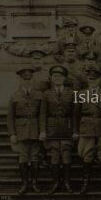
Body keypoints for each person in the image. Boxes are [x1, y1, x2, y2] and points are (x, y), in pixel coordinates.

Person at [39, 65, 76, 193]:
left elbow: (74, 114)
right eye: (55, 76)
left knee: (66, 154)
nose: (58, 78)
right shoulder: (46, 94)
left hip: (66, 127)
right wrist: (43, 131)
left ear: (64, 78)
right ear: (51, 78)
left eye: (60, 76)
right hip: (52, 128)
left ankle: (67, 183)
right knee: (54, 154)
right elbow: (43, 114)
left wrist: (75, 131)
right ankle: (55, 182)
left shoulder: (71, 93)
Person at [7, 66, 43, 195]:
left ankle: (34, 184)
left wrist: (42, 131)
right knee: (22, 157)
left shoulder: (39, 95)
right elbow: (10, 117)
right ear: (20, 80)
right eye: (24, 79)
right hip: (21, 130)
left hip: (35, 129)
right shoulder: (14, 96)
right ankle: (24, 184)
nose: (27, 81)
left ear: (32, 79)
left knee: (34, 157)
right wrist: (12, 133)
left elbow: (42, 115)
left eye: (29, 79)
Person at [75, 65, 101, 194]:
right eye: (90, 79)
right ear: (87, 79)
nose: (92, 81)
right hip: (86, 126)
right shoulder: (80, 94)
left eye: (95, 79)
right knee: (87, 154)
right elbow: (76, 114)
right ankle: (85, 182)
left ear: (99, 80)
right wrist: (76, 131)